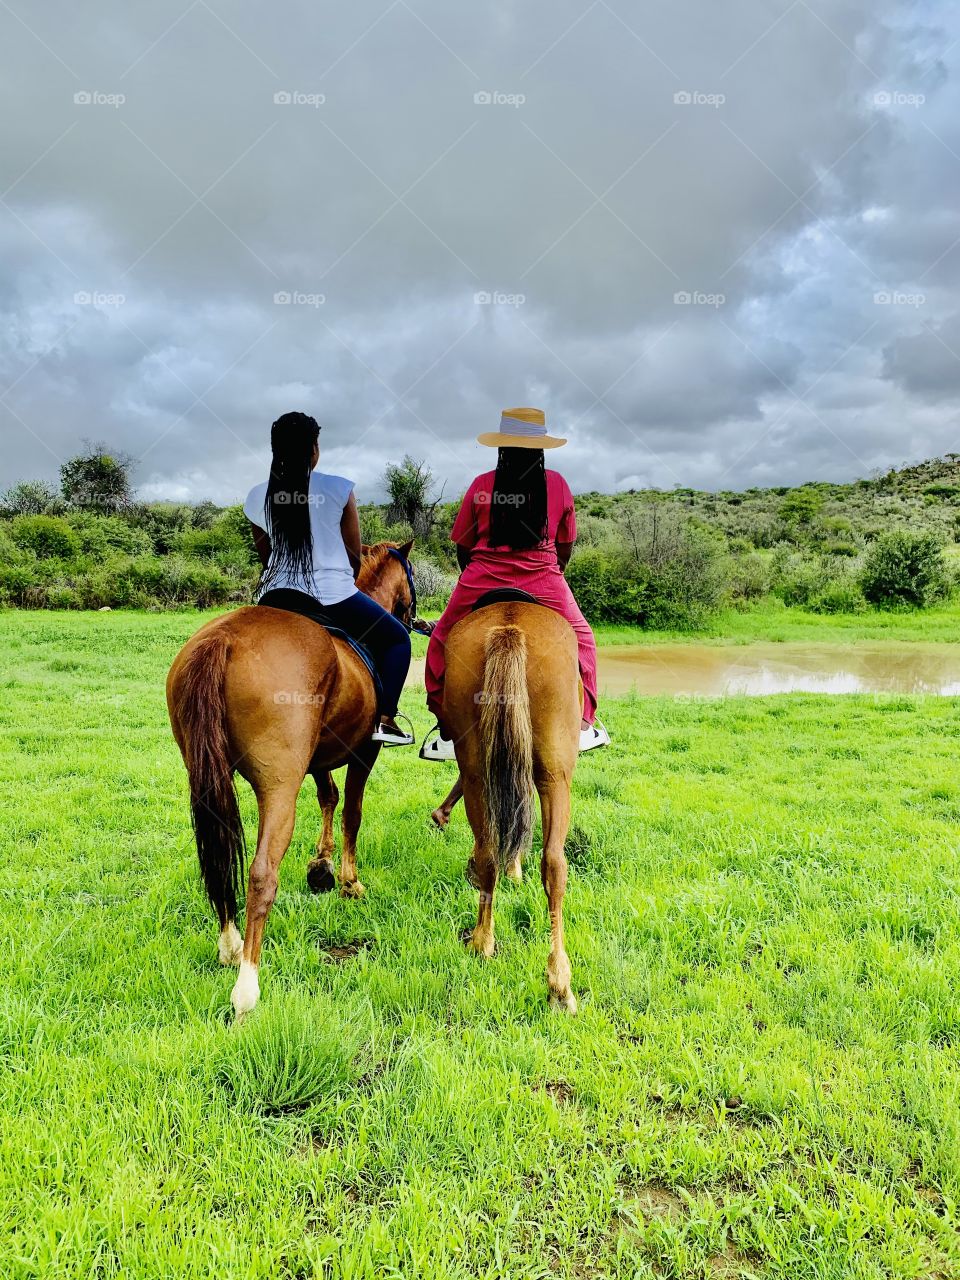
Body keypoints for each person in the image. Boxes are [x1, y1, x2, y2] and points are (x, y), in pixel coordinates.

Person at [420, 407, 609, 761]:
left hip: (482, 577)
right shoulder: (558, 484)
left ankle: (445, 725)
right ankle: (584, 724)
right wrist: (552, 571)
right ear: (540, 448)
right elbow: (565, 546)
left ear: (502, 447)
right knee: (584, 639)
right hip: (544, 578)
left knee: (442, 639)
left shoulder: (481, 485)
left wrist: (476, 574)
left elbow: (463, 545)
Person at [243, 411, 414, 746]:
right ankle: (384, 720)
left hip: (275, 597)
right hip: (333, 598)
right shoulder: (338, 488)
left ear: (276, 451)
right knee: (397, 640)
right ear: (314, 449)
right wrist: (345, 582)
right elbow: (353, 557)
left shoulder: (255, 496)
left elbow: (266, 557)